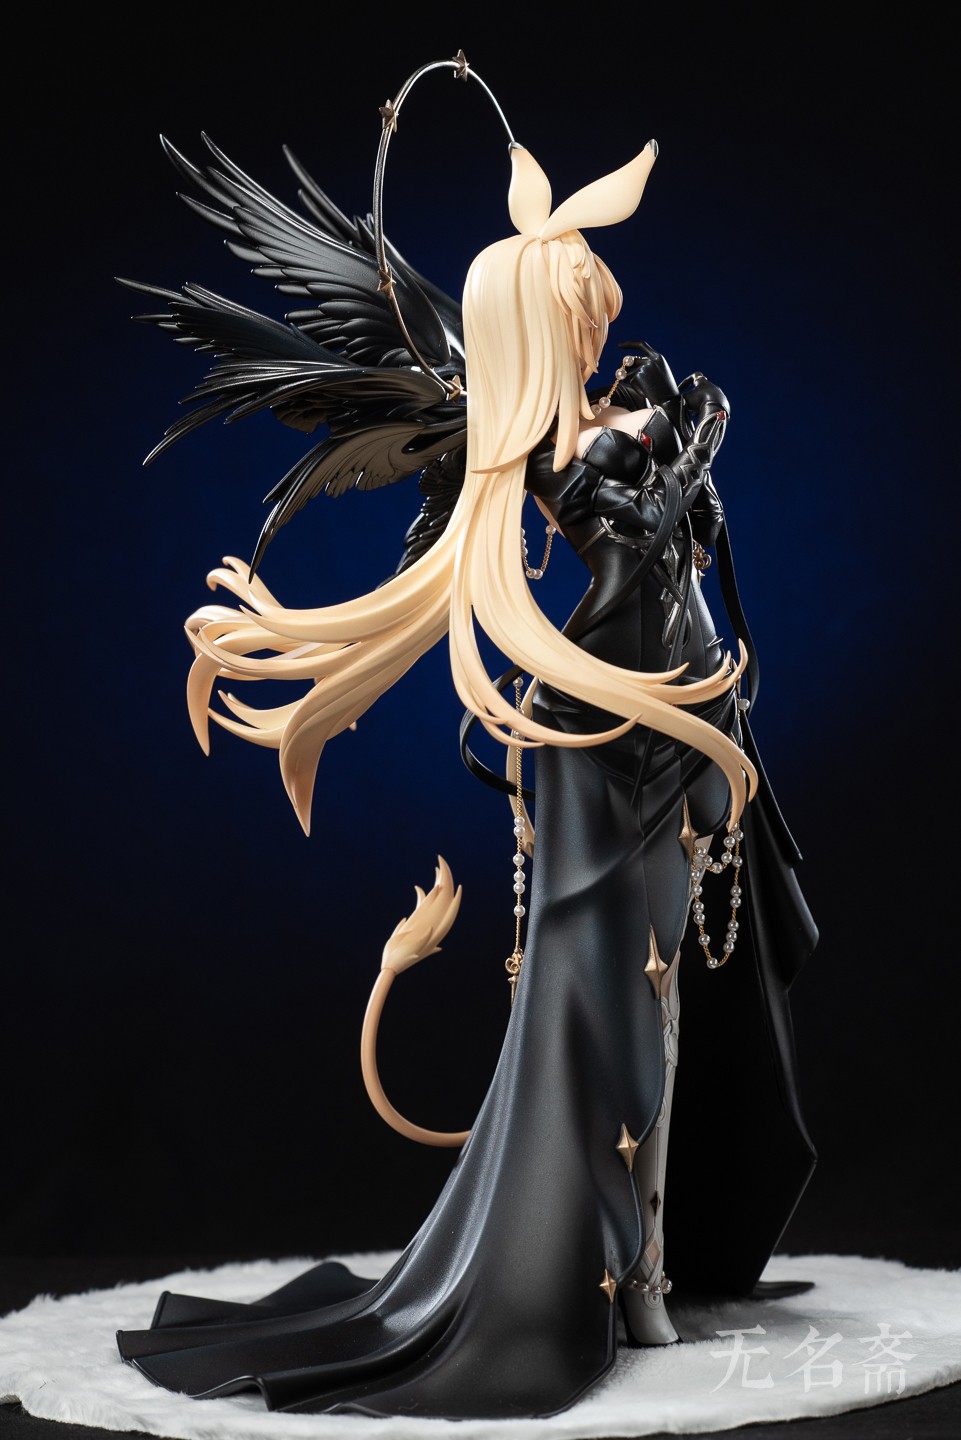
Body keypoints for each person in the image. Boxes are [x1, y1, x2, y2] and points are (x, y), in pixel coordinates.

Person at [115, 55, 818, 1420]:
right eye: (585, 300)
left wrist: (676, 436)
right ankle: (614, 1279)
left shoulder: (606, 421)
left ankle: (652, 1264)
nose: (607, 318)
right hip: (609, 735)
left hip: (676, 723)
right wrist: (682, 444)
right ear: (541, 323)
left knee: (670, 1005)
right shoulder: (562, 454)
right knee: (616, 1012)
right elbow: (633, 558)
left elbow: (688, 540)